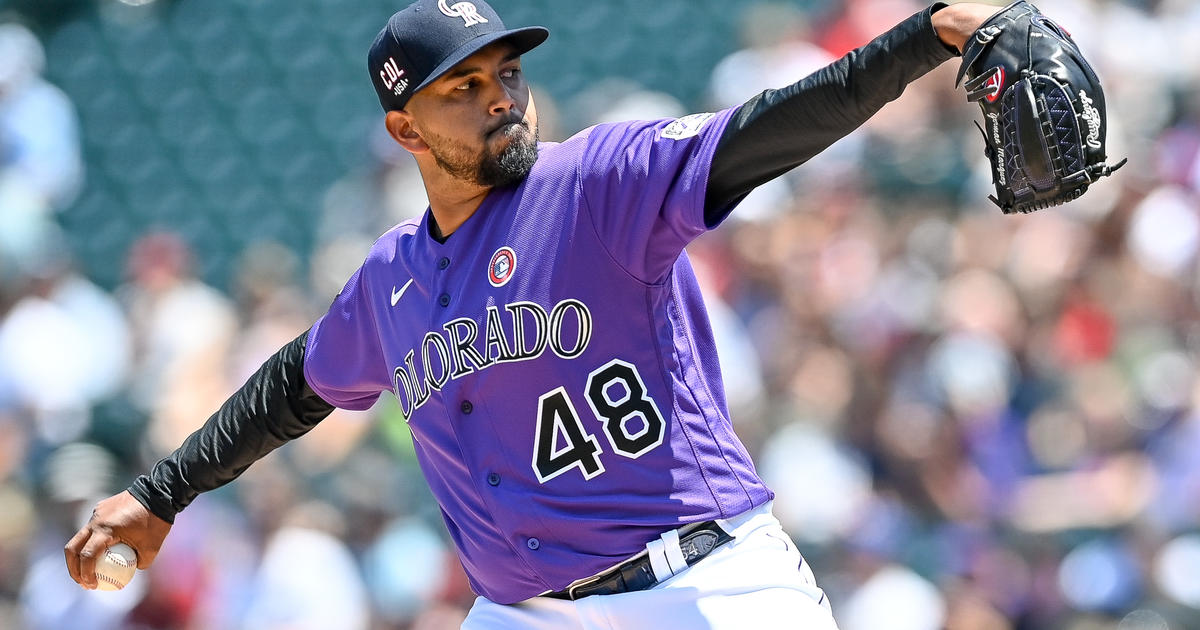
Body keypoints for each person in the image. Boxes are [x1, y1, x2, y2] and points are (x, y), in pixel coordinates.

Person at [64, 0, 1002, 627]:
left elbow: (764, 130)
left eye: (507, 74)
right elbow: (291, 389)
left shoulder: (597, 180)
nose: (502, 100)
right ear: (404, 129)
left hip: (703, 584)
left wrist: (931, 34)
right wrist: (159, 495)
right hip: (524, 614)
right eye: (463, 90)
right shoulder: (390, 275)